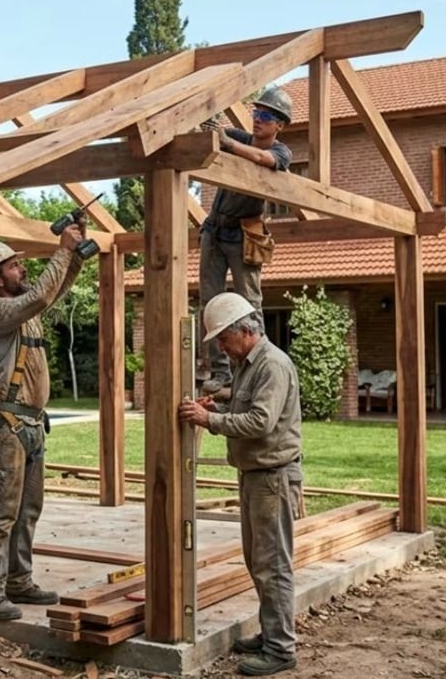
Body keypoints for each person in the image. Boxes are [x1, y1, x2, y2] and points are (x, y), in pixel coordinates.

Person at [178, 292, 303, 677]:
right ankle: (271, 634)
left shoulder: (272, 365)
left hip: (273, 477)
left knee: (272, 564)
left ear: (244, 331)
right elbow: (247, 410)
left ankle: (281, 649)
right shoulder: (248, 364)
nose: (220, 346)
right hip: (257, 476)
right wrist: (220, 409)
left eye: (222, 338)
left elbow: (261, 422)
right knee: (257, 560)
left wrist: (207, 420)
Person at [0, 224, 86, 621]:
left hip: (31, 425)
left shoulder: (27, 310)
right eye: (16, 266)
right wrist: (62, 249)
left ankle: (19, 581)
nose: (23, 269)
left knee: (28, 509)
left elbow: (53, 291)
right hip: (7, 425)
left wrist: (74, 256)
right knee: (2, 512)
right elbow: (41, 295)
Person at [199, 87, 294, 396]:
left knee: (250, 303)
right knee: (209, 301)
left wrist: (227, 143)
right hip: (215, 230)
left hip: (244, 235)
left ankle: (258, 368)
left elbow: (261, 157)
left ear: (279, 125)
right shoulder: (238, 137)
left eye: (266, 116)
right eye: (256, 113)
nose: (258, 120)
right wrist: (210, 124)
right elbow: (217, 136)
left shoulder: (282, 152)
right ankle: (220, 371)